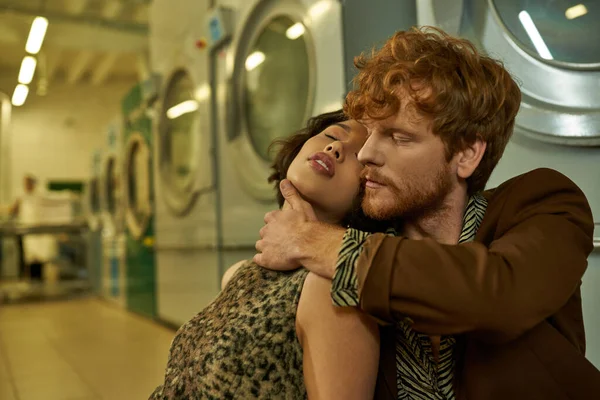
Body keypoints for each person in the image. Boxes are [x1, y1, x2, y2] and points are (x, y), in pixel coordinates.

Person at [254, 27, 600, 399]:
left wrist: (309, 239)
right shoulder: (366, 239)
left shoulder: (541, 201)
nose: (367, 153)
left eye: (399, 137)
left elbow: (498, 296)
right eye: (369, 133)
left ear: (466, 154)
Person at [150, 111, 387, 400]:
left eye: (357, 156)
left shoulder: (329, 291)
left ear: (368, 192)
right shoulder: (240, 273)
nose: (335, 148)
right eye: (332, 135)